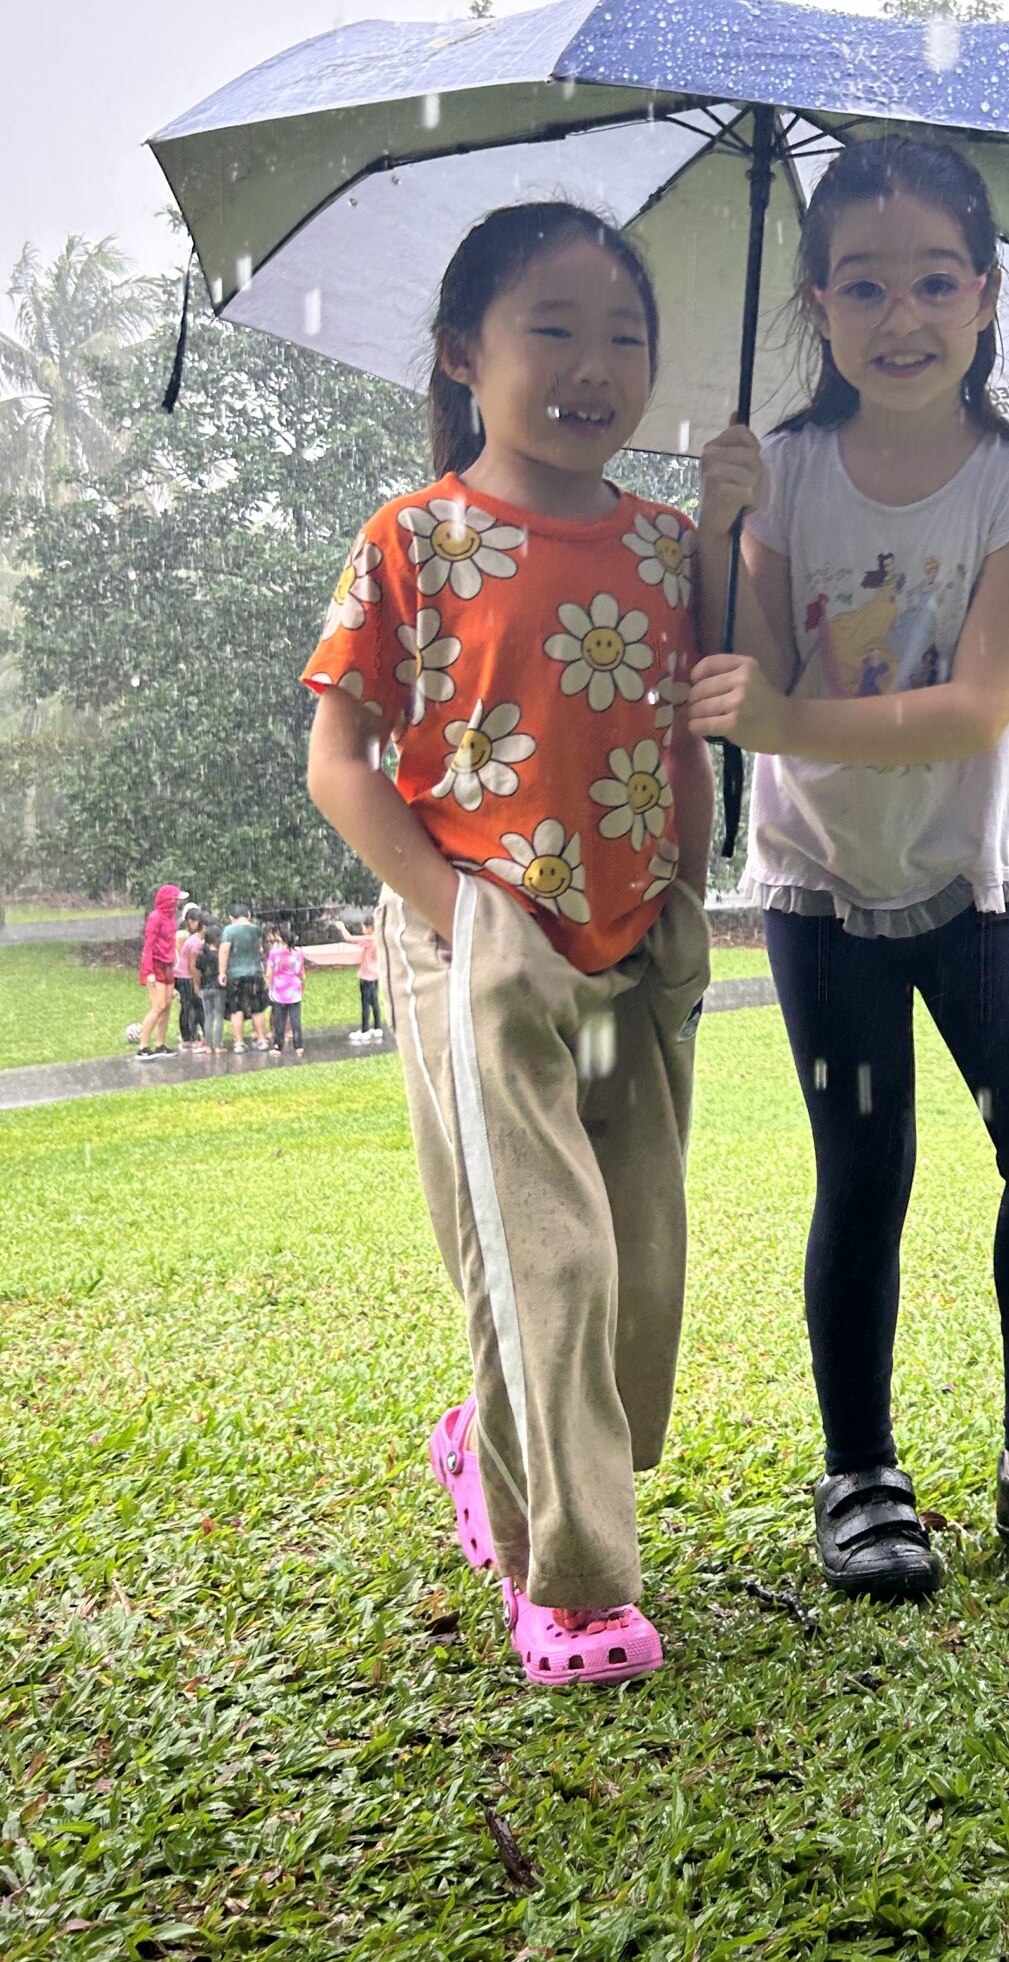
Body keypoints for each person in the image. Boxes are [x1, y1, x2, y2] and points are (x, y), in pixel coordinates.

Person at [689, 136, 1009, 1605]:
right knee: (867, 1175)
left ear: (984, 300)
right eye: (864, 286)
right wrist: (723, 528)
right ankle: (862, 1475)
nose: (899, 315)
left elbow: (976, 706)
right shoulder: (779, 469)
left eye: (932, 282)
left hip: (981, 882)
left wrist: (784, 718)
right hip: (822, 890)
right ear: (819, 305)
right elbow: (744, 664)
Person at [304, 201, 711, 1690]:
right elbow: (337, 760)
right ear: (466, 352)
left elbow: (695, 727)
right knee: (551, 1258)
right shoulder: (412, 540)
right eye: (556, 328)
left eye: (626, 335)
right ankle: (575, 1585)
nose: (597, 364)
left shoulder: (675, 548)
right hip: (473, 933)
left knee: (642, 1260)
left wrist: (735, 521)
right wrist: (451, 910)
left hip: (634, 945)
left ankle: (492, 1450)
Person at [132, 883, 181, 1058]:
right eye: (175, 900)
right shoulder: (156, 917)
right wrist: (149, 971)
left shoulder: (171, 917)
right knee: (158, 1006)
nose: (177, 903)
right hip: (156, 965)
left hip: (168, 965)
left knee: (167, 1005)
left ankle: (160, 1043)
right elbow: (149, 945)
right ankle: (143, 1046)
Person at [219, 902, 271, 1052]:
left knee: (236, 1009)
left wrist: (222, 972)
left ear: (231, 917)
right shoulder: (256, 930)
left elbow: (224, 951)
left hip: (235, 974)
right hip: (254, 972)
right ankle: (262, 1039)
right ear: (248, 915)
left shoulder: (229, 931)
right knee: (257, 1008)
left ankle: (239, 1042)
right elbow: (262, 949)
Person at [265, 927, 307, 1056]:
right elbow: (302, 974)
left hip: (279, 988)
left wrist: (270, 988)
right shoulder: (298, 954)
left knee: (280, 1019)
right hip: (294, 988)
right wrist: (302, 987)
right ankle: (298, 1045)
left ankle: (278, 1045)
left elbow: (268, 973)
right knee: (295, 1019)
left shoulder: (274, 953)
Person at [175, 904, 208, 1052]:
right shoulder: (195, 942)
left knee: (193, 1006)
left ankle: (195, 1036)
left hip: (183, 975)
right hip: (185, 976)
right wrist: (196, 983)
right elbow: (192, 965)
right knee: (190, 1007)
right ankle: (189, 1037)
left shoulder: (194, 938)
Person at [349, 916, 384, 1043]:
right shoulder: (379, 938)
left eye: (364, 927)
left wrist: (341, 927)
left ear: (370, 928)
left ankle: (365, 1030)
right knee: (374, 1001)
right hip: (375, 975)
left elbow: (349, 938)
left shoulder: (370, 939)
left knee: (365, 1003)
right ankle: (377, 1027)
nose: (362, 929)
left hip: (367, 976)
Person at [197, 911, 227, 1054]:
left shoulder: (201, 955)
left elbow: (197, 972)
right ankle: (218, 1045)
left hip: (205, 988)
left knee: (208, 1016)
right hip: (218, 988)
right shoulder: (220, 956)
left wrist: (197, 986)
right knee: (219, 1016)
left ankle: (208, 1045)